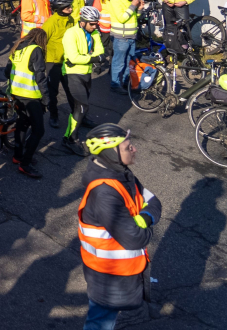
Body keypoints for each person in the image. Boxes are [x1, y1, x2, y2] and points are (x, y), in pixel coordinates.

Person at [78, 124, 161, 330]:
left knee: (106, 319)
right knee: (101, 322)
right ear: (110, 153)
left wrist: (143, 220)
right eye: (128, 147)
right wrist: (142, 225)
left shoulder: (122, 175)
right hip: (108, 275)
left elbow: (154, 201)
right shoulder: (105, 192)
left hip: (117, 272)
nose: (134, 149)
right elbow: (135, 239)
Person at [6, 28, 49, 178]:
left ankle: (17, 156)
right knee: (39, 130)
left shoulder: (17, 47)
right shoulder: (36, 50)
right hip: (31, 96)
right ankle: (25, 163)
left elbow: (7, 71)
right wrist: (46, 99)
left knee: (22, 124)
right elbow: (40, 77)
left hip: (16, 94)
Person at [62, 7, 104, 156]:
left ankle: (80, 122)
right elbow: (73, 58)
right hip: (72, 74)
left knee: (82, 108)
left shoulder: (94, 33)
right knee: (81, 106)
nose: (95, 27)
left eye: (96, 24)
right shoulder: (70, 34)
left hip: (85, 73)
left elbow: (100, 52)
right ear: (83, 22)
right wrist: (93, 58)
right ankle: (69, 139)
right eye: (92, 24)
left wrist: (87, 58)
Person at [43, 0, 76, 129]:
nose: (71, 8)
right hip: (53, 62)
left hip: (67, 61)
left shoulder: (71, 20)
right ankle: (53, 115)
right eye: (68, 7)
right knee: (52, 91)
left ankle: (78, 115)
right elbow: (41, 41)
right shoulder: (50, 23)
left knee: (72, 90)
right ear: (60, 9)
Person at [109, 0, 141, 93]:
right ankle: (115, 84)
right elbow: (122, 18)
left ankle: (127, 83)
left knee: (129, 61)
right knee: (119, 62)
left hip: (131, 36)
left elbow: (134, 16)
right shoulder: (116, 0)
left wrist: (139, 9)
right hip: (121, 37)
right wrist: (133, 6)